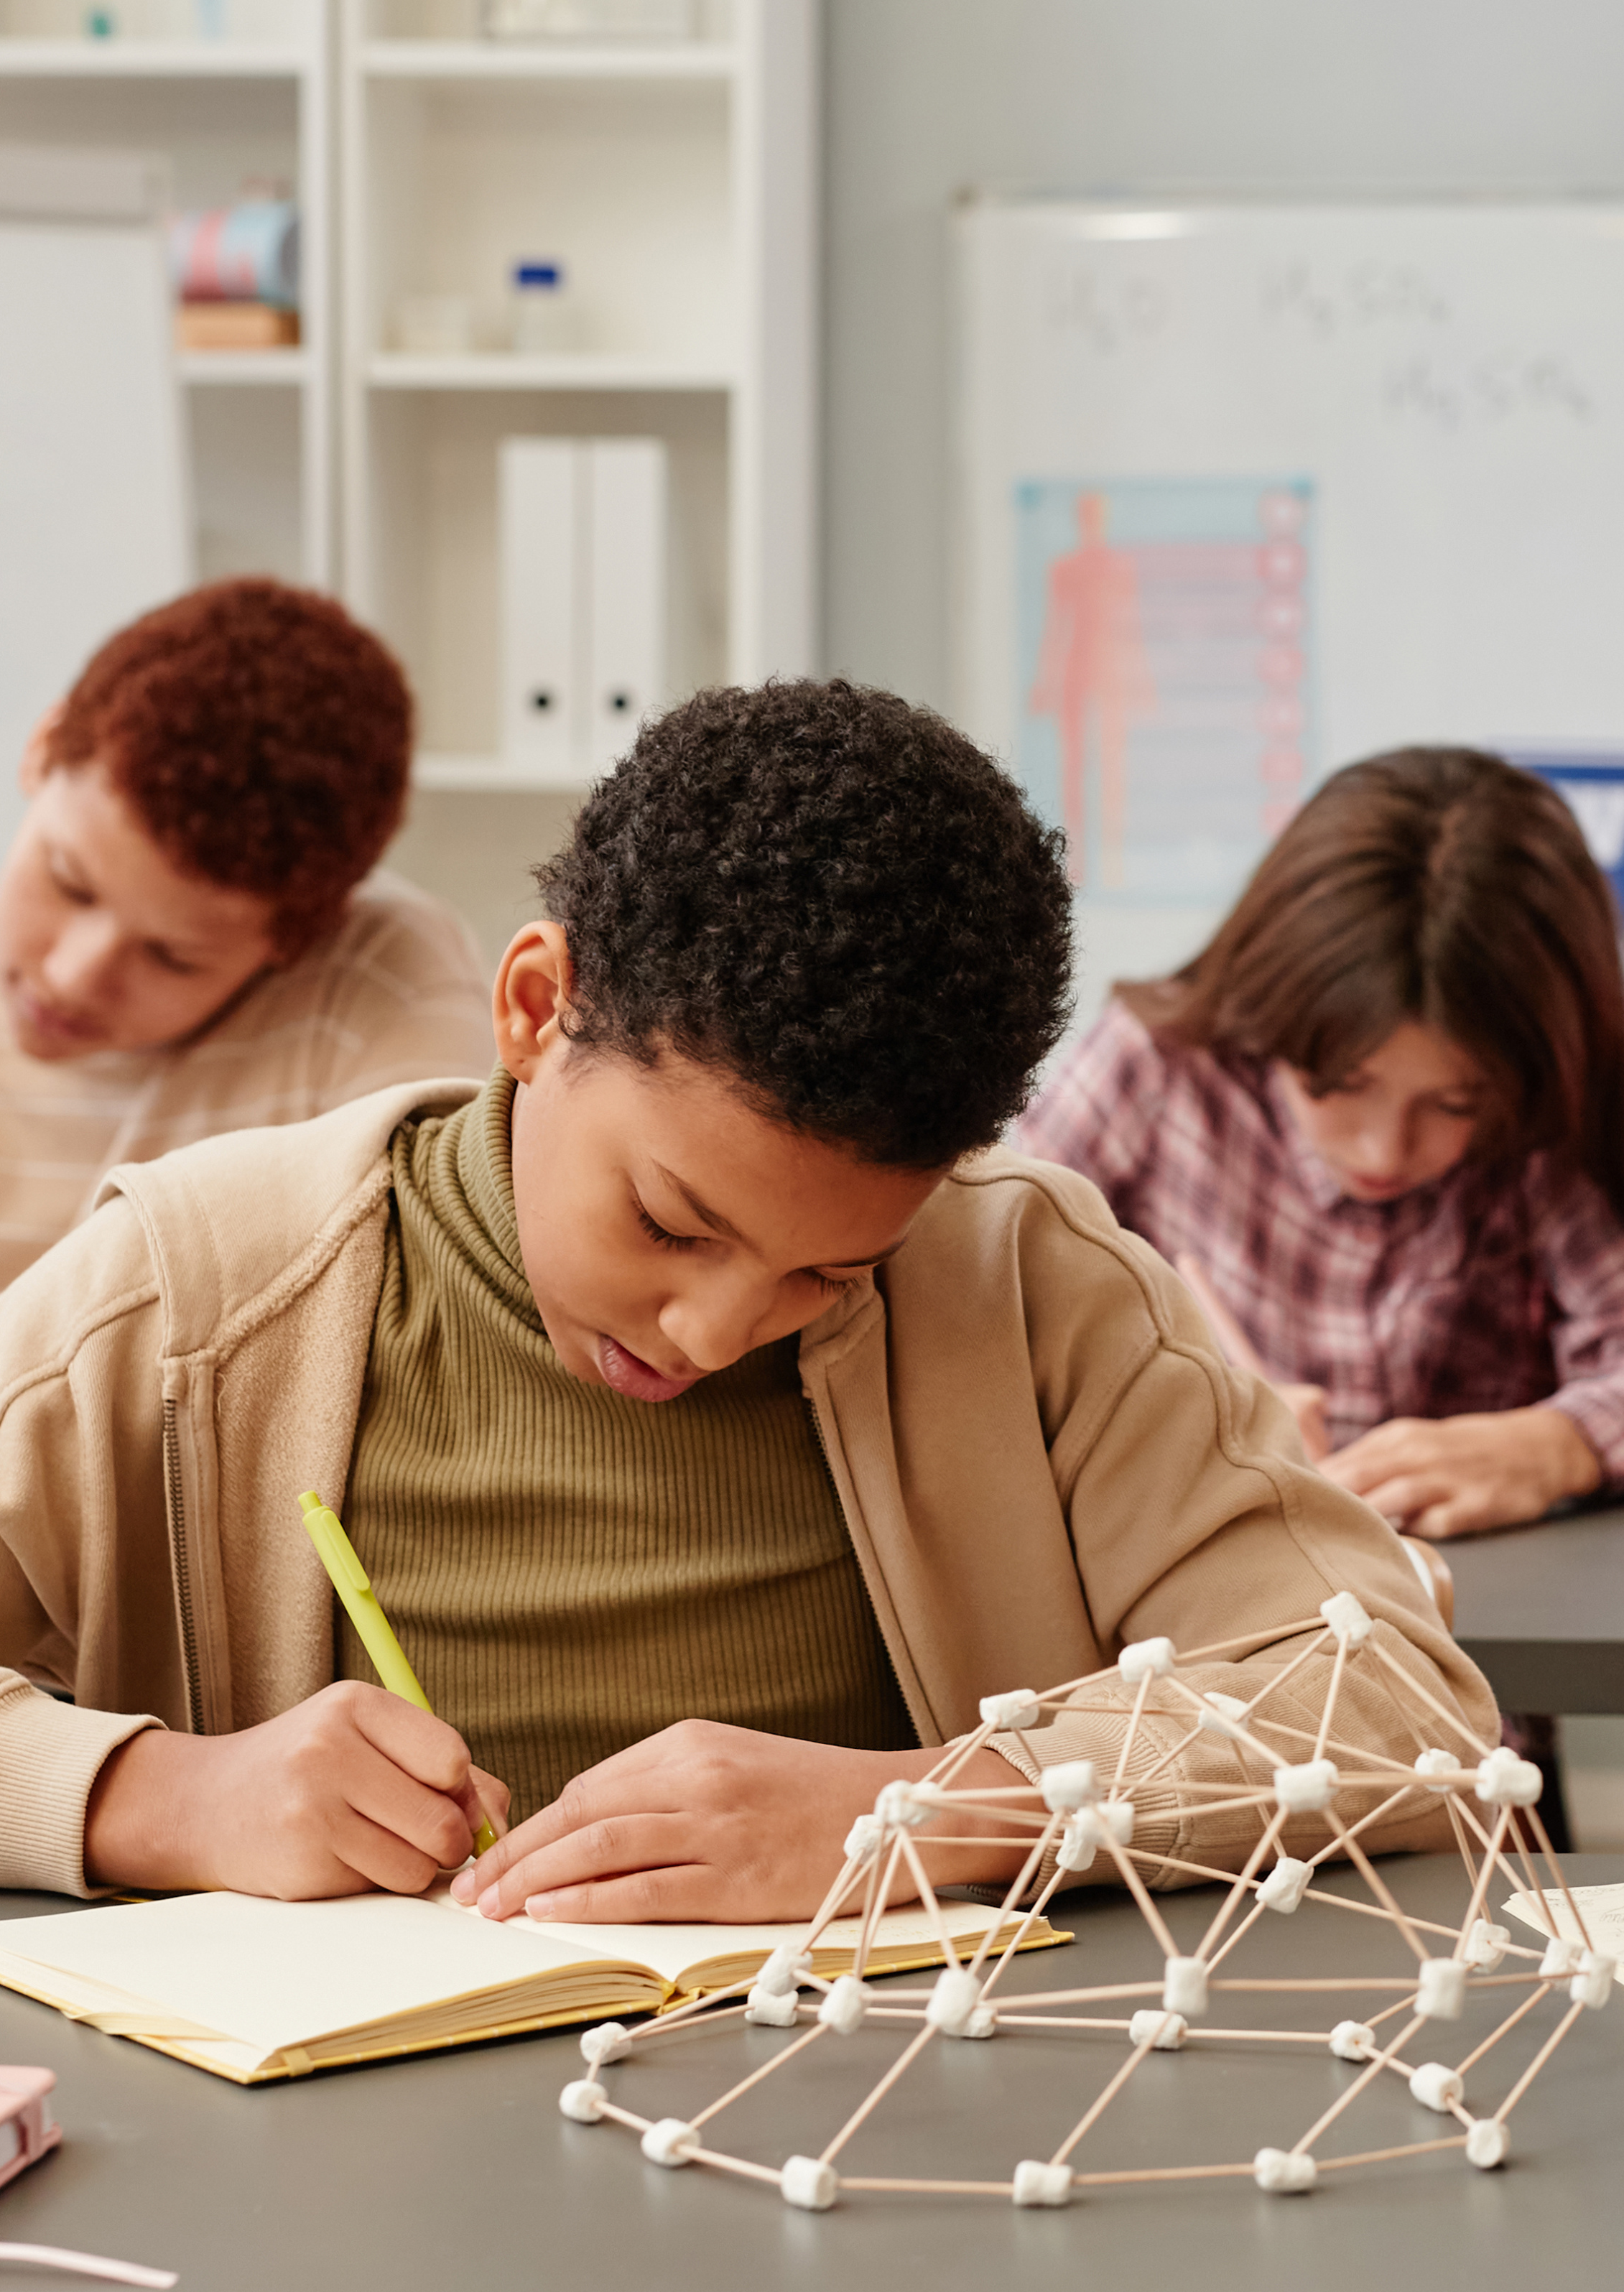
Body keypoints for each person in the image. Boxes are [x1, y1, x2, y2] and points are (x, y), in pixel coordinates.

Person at [0, 681, 1494, 1917]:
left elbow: (1402, 1709)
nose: (714, 1332)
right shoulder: (193, 1298)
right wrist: (162, 1797)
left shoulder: (1025, 1283)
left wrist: (918, 1810)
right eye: (669, 1223)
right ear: (534, 1010)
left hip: (888, 2151)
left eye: (828, 1274)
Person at [1013, 746, 1624, 1541]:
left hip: (1475, 1614)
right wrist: (1181, 1416)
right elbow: (963, 1292)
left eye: (1455, 1103)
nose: (1384, 1152)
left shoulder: (1535, 1130)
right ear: (1272, 1008)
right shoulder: (1159, 1066)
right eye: (1338, 1084)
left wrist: (1552, 1448)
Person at [0, 577, 492, 1289]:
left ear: (294, 943)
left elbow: (438, 1318)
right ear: (43, 750)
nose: (73, 974)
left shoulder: (382, 985)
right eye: (69, 882)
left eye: (172, 957)